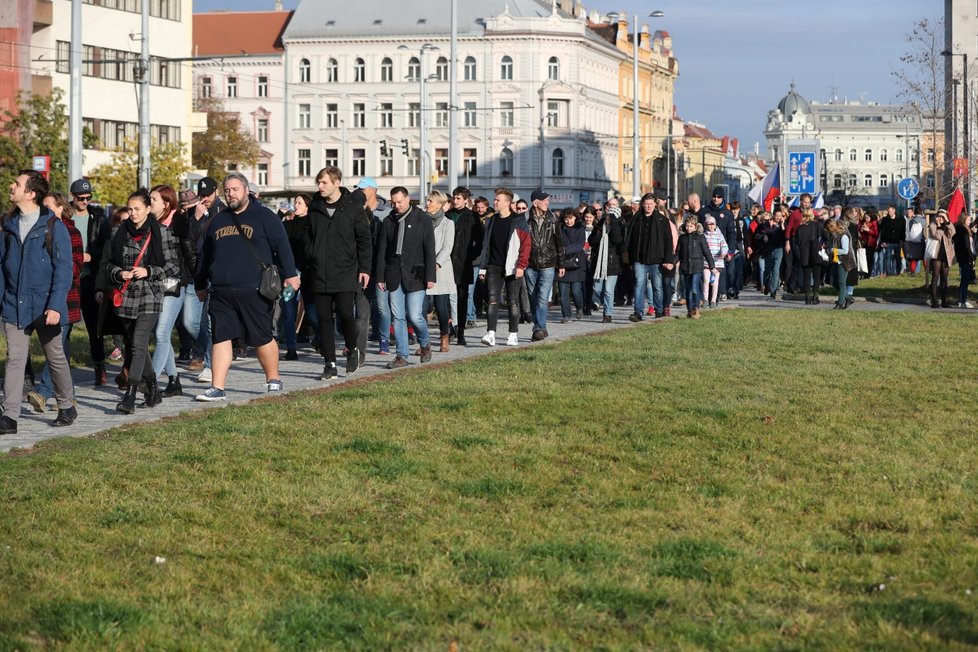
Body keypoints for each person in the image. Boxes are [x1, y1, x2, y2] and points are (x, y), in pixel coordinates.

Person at [194, 173, 299, 401]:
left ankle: (273, 379)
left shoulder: (264, 216)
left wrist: (290, 274)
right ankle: (217, 387)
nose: (230, 193)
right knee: (220, 337)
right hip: (221, 290)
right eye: (227, 190)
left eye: (235, 189)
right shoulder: (218, 220)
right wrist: (200, 283)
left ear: (246, 190)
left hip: (254, 289)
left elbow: (282, 246)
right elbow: (205, 255)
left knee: (261, 336)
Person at [0, 171, 77, 434]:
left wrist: (55, 306)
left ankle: (67, 405)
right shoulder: (7, 225)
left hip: (45, 305)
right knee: (15, 359)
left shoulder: (54, 227)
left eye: (17, 183)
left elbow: (64, 270)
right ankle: (9, 415)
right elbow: (1, 267)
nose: (12, 186)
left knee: (54, 356)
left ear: (31, 193)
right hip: (13, 304)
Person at [105, 189, 180, 414]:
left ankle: (130, 394)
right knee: (134, 345)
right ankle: (154, 389)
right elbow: (109, 264)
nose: (133, 213)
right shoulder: (119, 231)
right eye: (130, 209)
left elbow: (173, 267)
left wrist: (148, 270)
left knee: (138, 342)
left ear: (148, 209)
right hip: (126, 295)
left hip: (151, 294)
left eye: (138, 209)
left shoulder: (163, 233)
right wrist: (119, 274)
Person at [303, 166, 372, 380]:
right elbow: (306, 233)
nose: (320, 186)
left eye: (324, 182)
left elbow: (364, 240)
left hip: (345, 270)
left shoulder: (352, 207)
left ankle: (353, 350)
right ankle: (329, 364)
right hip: (320, 271)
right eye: (319, 183)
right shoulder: (315, 206)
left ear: (336, 182)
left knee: (345, 314)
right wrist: (311, 252)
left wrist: (364, 269)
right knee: (324, 321)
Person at [25, 192, 83, 414]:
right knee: (61, 349)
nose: (45, 210)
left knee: (56, 349)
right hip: (43, 300)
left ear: (61, 208)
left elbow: (75, 267)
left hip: (66, 300)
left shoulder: (71, 232)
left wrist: (53, 271)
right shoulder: (40, 230)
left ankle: (44, 392)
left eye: (49, 206)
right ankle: (70, 398)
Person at [148, 185, 200, 399]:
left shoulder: (179, 223)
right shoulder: (151, 224)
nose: (149, 203)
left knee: (161, 333)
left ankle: (149, 383)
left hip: (178, 281)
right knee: (161, 333)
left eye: (153, 200)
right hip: (157, 282)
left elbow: (190, 254)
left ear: (166, 203)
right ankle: (174, 380)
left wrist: (200, 281)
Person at [375, 186, 436, 368]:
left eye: (399, 202)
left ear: (408, 199)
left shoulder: (422, 219)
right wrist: (380, 276)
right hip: (394, 275)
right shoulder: (389, 221)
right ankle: (402, 354)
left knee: (416, 315)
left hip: (416, 275)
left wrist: (430, 276)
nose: (396, 205)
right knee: (398, 317)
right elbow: (382, 252)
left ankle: (425, 343)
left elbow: (429, 249)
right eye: (393, 202)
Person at [69, 178, 111, 386]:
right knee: (64, 327)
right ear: (72, 197)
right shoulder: (64, 216)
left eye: (88, 198)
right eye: (81, 198)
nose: (85, 201)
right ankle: (60, 370)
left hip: (90, 278)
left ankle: (99, 364)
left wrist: (91, 256)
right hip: (69, 278)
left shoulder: (99, 217)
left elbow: (105, 246)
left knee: (94, 326)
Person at [477, 188, 530, 346]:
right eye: (494, 200)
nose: (494, 202)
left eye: (497, 200)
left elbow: (526, 246)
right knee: (491, 300)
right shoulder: (491, 220)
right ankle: (490, 333)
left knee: (513, 301)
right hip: (494, 265)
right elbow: (486, 245)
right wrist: (483, 268)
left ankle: (513, 334)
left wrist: (521, 265)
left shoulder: (519, 221)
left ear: (507, 203)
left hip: (513, 266)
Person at [523, 189, 564, 341]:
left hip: (548, 263)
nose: (547, 202)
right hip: (530, 264)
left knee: (541, 297)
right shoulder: (525, 218)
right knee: (533, 297)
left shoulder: (552, 219)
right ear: (535, 203)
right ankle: (541, 326)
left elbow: (559, 242)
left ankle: (538, 328)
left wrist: (561, 264)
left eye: (548, 199)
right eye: (544, 200)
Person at [358, 178, 392, 352]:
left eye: (363, 189)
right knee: (360, 307)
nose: (360, 192)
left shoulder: (387, 213)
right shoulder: (356, 210)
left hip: (380, 266)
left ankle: (384, 340)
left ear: (373, 190)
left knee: (381, 306)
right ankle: (356, 343)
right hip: (360, 266)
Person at [627, 191, 672, 321]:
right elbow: (630, 240)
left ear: (655, 204)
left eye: (651, 204)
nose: (648, 207)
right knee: (639, 284)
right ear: (642, 204)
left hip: (656, 259)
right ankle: (638, 312)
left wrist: (668, 259)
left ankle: (658, 310)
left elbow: (668, 241)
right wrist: (630, 258)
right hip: (639, 259)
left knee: (657, 286)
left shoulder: (662, 220)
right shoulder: (636, 219)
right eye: (646, 204)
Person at [447, 186, 482, 345]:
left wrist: (470, 257)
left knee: (462, 298)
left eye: (458, 198)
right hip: (446, 262)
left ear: (466, 200)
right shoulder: (447, 215)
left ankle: (460, 331)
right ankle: (448, 329)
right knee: (445, 298)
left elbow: (481, 242)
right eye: (454, 197)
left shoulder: (473, 217)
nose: (455, 201)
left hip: (463, 264)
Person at [425, 190, 455, 352]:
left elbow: (447, 247)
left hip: (440, 271)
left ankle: (445, 336)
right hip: (422, 271)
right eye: (428, 200)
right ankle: (425, 342)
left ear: (439, 204)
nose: (427, 203)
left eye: (431, 201)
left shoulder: (448, 223)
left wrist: (436, 263)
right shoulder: (422, 220)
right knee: (421, 309)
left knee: (441, 308)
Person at [589, 203, 624, 323]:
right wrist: (599, 231)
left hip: (613, 263)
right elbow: (592, 241)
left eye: (612, 216)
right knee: (597, 288)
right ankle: (596, 302)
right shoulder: (599, 226)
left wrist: (613, 224)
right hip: (599, 263)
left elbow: (617, 240)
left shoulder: (620, 227)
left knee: (609, 290)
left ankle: (607, 314)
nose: (609, 218)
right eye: (609, 216)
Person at [676, 215, 715, 318]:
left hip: (697, 267)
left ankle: (696, 308)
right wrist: (672, 262)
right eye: (687, 226)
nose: (689, 228)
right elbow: (678, 253)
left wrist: (712, 266)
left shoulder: (700, 237)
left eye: (691, 226)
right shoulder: (682, 238)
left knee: (694, 288)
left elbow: (706, 252)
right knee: (688, 290)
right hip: (685, 267)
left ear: (695, 226)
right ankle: (689, 309)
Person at [557, 208, 586, 323]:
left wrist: (564, 250)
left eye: (570, 218)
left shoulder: (580, 228)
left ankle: (579, 307)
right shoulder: (559, 228)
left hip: (576, 263)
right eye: (566, 219)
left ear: (575, 218)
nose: (568, 221)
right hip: (562, 263)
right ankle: (566, 315)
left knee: (576, 291)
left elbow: (580, 245)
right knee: (563, 292)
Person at [927, 209, 956, 308]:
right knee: (935, 277)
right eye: (939, 216)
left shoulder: (947, 225)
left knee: (944, 279)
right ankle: (934, 301)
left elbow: (952, 233)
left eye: (943, 216)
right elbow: (936, 236)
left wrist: (947, 221)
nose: (941, 218)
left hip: (946, 255)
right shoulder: (932, 225)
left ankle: (944, 301)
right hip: (936, 255)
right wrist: (939, 226)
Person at [795, 207, 825, 304]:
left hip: (804, 254)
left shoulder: (800, 228)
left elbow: (796, 242)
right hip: (816, 252)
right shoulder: (817, 225)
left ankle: (807, 297)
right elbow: (825, 236)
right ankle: (815, 296)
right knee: (816, 277)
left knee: (806, 277)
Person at [824, 218, 854, 310]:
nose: (827, 231)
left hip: (844, 261)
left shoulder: (843, 235)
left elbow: (845, 251)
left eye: (828, 229)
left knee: (841, 282)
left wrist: (833, 250)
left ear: (832, 227)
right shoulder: (833, 235)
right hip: (836, 260)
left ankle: (840, 303)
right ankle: (848, 298)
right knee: (832, 281)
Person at [701, 216, 728, 308]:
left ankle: (713, 300)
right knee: (706, 279)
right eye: (709, 224)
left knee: (715, 282)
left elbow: (724, 246)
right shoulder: (703, 236)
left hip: (717, 262)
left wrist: (723, 253)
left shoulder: (719, 236)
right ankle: (705, 299)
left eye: (713, 224)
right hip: (706, 262)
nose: (711, 226)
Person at [953, 211, 977, 308]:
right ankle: (962, 300)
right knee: (965, 279)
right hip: (965, 257)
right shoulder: (962, 230)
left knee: (965, 279)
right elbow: (966, 245)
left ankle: (962, 300)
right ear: (964, 220)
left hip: (965, 256)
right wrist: (972, 256)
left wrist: (973, 233)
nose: (970, 221)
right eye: (968, 219)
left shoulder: (965, 229)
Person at [904, 206, 926, 275]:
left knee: (913, 258)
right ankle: (927, 272)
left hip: (912, 242)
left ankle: (912, 272)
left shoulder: (911, 221)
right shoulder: (924, 221)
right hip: (921, 242)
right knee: (924, 258)